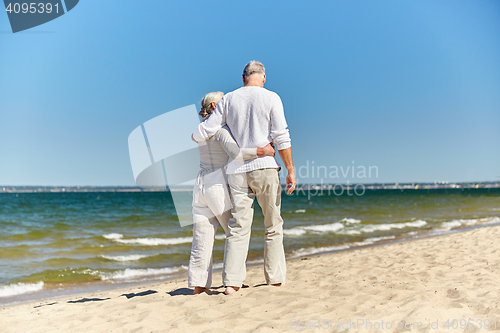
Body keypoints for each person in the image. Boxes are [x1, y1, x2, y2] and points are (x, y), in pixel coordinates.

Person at [192, 61, 296, 295]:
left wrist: (195, 134)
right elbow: (281, 136)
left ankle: (231, 283)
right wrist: (290, 169)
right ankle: (275, 278)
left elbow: (206, 129)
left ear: (243, 78)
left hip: (237, 172)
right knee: (273, 224)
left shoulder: (228, 99)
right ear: (264, 78)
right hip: (265, 168)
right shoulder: (272, 98)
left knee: (238, 228)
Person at [188, 91, 275, 295]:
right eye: (222, 103)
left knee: (202, 238)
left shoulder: (201, 130)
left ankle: (199, 286)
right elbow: (235, 154)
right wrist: (263, 151)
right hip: (217, 186)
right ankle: (233, 282)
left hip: (200, 185)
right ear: (212, 107)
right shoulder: (220, 128)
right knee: (235, 233)